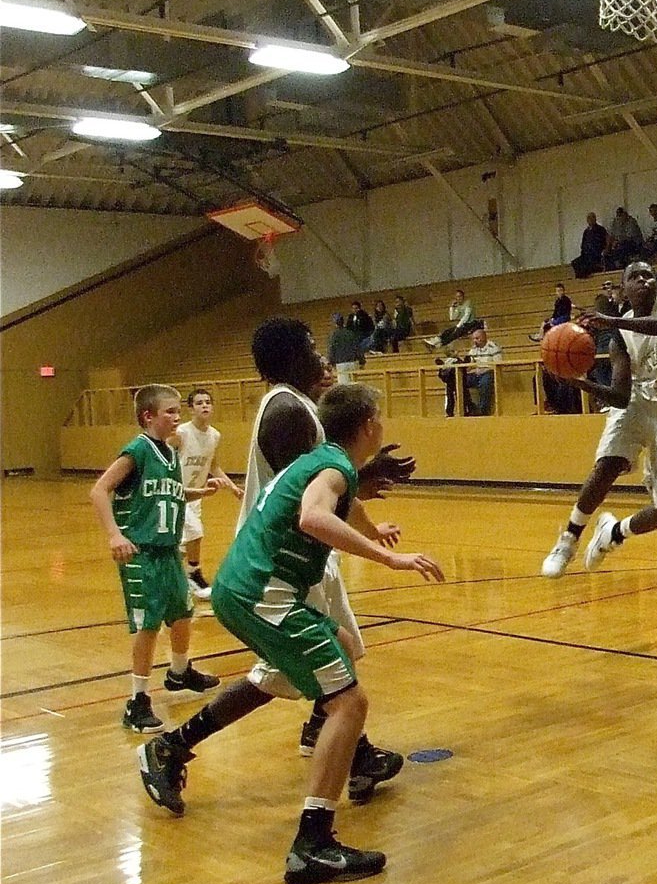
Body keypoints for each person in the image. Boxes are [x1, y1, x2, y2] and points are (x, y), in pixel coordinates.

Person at [137, 383, 445, 884]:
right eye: (381, 419)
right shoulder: (336, 467)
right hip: (265, 593)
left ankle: (173, 746)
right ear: (369, 426)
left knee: (336, 651)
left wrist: (372, 529)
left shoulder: (326, 460)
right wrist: (389, 557)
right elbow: (314, 514)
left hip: (243, 585)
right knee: (349, 702)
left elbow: (333, 498)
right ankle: (313, 843)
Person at [141, 320, 414, 801]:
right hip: (280, 565)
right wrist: (370, 505)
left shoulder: (295, 404)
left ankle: (339, 741)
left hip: (294, 560)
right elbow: (312, 496)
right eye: (309, 346)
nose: (318, 353)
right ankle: (175, 746)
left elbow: (327, 487)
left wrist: (369, 518)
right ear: (289, 357)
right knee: (310, 667)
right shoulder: (289, 410)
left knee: (332, 656)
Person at [540, 261, 657, 576]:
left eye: (647, 275)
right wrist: (580, 383)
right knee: (608, 463)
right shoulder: (619, 337)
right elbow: (619, 396)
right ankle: (568, 539)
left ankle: (613, 533)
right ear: (624, 288)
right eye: (634, 276)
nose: (643, 279)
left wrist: (611, 319)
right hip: (639, 403)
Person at [89, 384, 221, 733]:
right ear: (149, 416)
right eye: (171, 412)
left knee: (182, 612)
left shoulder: (168, 452)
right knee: (148, 625)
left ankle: (179, 673)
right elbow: (99, 490)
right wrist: (115, 535)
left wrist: (198, 492)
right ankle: (138, 701)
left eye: (179, 411)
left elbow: (172, 494)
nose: (178, 417)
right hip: (140, 552)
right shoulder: (137, 450)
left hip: (167, 551)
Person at [174, 388, 243, 600]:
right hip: (178, 493)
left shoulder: (214, 435)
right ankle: (194, 574)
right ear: (191, 409)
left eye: (207, 402)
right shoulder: (181, 434)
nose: (204, 405)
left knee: (181, 543)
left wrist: (232, 487)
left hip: (197, 496)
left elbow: (213, 465)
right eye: (199, 403)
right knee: (195, 532)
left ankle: (176, 581)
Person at [464, 327, 502, 416]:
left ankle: (483, 410)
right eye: (473, 339)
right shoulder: (473, 349)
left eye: (477, 338)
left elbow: (498, 364)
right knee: (460, 381)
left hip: (490, 372)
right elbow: (469, 364)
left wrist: (484, 370)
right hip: (476, 373)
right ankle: (469, 408)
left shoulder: (493, 347)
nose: (475, 341)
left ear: (484, 337)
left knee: (485, 382)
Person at [328, 312, 363, 383]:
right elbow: (357, 347)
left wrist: (331, 362)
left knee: (344, 386)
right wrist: (362, 360)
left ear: (335, 323)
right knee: (354, 384)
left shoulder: (334, 335)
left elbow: (332, 350)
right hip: (352, 362)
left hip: (341, 364)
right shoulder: (350, 333)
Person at [571, 213, 609, 278]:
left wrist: (605, 249)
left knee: (589, 262)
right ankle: (581, 278)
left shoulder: (601, 229)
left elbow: (606, 241)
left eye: (592, 218)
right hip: (586, 254)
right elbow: (583, 244)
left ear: (595, 219)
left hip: (596, 253)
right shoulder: (586, 231)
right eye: (588, 218)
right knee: (575, 262)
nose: (590, 220)